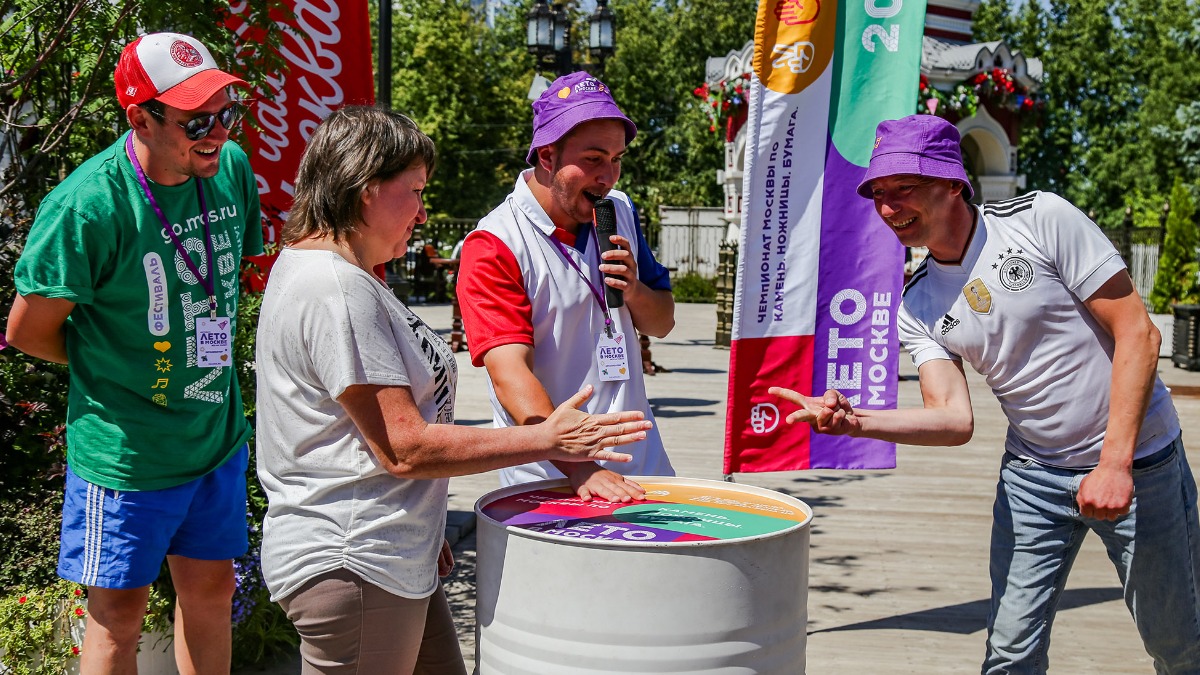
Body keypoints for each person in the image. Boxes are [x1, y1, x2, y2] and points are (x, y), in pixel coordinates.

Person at [771, 114, 1200, 674]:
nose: (888, 207)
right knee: (1010, 653)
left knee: (1178, 645)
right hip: (1034, 478)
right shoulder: (916, 303)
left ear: (952, 182)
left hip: (1140, 463)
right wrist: (856, 423)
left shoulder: (1041, 220)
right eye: (878, 192)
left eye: (904, 188)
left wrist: (1114, 465)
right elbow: (953, 419)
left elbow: (1138, 334)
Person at [254, 106, 652, 674]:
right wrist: (550, 441)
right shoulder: (335, 287)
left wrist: (424, 521)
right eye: (415, 192)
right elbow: (404, 447)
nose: (422, 211)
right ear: (367, 190)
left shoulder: (332, 274)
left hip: (390, 553)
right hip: (356, 559)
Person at [5, 32, 260, 672]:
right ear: (139, 117)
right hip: (126, 455)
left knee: (211, 591)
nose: (216, 132)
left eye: (225, 111)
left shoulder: (229, 169)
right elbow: (27, 331)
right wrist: (113, 363)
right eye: (195, 119)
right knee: (118, 616)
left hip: (214, 436)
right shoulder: (88, 206)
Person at [457, 71, 676, 503]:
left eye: (617, 159)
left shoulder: (620, 210)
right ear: (546, 155)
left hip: (645, 467)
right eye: (593, 159)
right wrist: (581, 468)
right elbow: (510, 376)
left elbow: (663, 322)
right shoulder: (496, 244)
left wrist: (633, 290)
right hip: (553, 481)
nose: (607, 176)